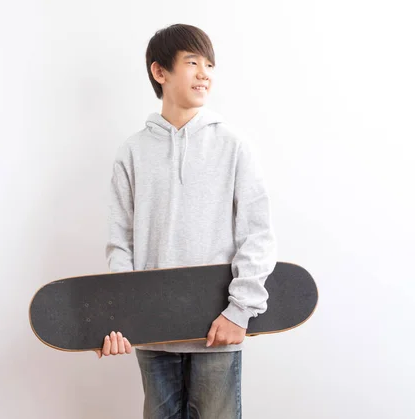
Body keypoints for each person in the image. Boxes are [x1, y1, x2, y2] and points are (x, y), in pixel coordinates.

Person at [100, 23, 277, 419]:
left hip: (218, 329)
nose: (205, 74)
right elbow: (120, 242)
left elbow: (258, 234)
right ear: (159, 72)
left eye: (210, 65)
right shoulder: (132, 153)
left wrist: (240, 311)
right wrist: (123, 314)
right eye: (192, 62)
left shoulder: (234, 146)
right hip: (152, 333)